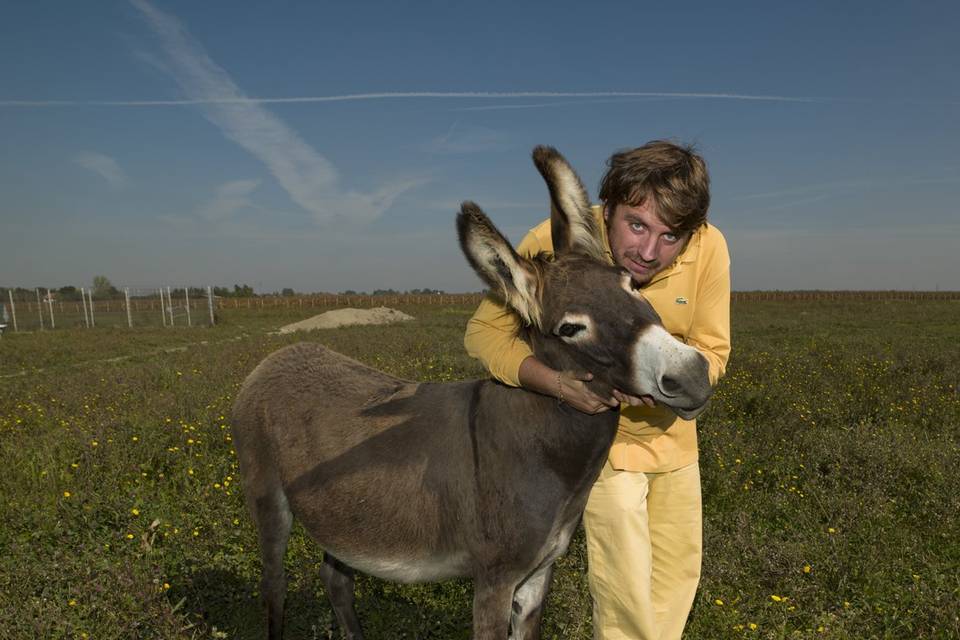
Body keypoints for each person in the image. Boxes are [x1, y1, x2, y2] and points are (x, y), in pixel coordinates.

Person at [463, 140, 731, 640]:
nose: (649, 252)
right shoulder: (558, 241)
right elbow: (483, 335)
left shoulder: (709, 245)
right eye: (636, 225)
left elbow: (713, 350)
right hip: (602, 445)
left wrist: (674, 384)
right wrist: (560, 385)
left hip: (675, 443)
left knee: (677, 580)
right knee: (625, 594)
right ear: (606, 211)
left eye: (670, 235)